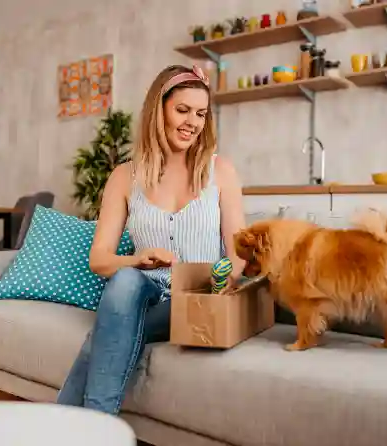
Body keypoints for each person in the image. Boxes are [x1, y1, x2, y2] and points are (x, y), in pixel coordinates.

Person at [56, 64, 247, 415]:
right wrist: (136, 259)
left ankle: (72, 430)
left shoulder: (221, 172)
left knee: (104, 335)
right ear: (158, 110)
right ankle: (93, 432)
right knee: (127, 281)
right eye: (182, 110)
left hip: (193, 299)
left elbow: (238, 257)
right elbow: (99, 259)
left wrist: (221, 280)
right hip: (142, 293)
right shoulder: (124, 177)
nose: (193, 121)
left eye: (201, 113)